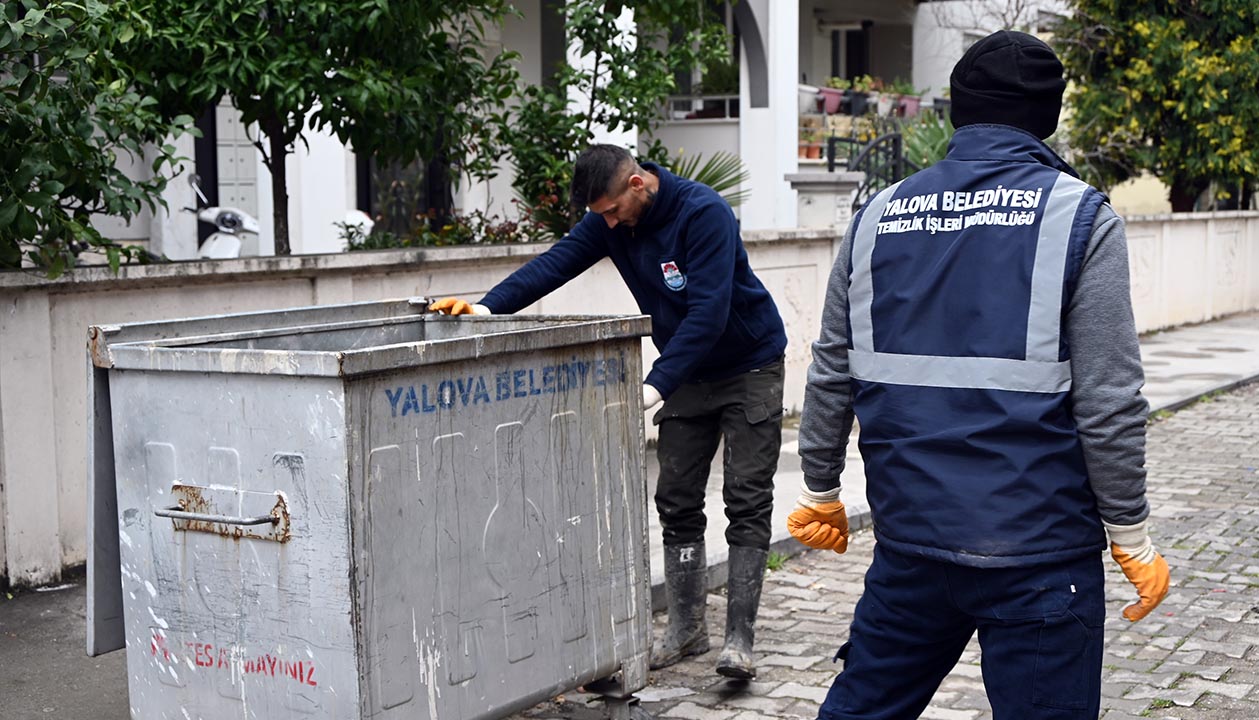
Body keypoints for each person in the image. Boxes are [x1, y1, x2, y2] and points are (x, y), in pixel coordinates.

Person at [786, 31, 1171, 719]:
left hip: (911, 543)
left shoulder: (877, 215)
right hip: (1039, 553)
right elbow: (1109, 402)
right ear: (1047, 116)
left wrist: (820, 487)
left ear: (959, 110)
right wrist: (1130, 532)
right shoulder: (1080, 217)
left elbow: (830, 368)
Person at [429, 144, 787, 678]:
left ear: (637, 185)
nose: (609, 223)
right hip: (689, 373)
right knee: (677, 497)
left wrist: (653, 386)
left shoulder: (703, 212)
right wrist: (485, 308)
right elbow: (554, 264)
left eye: (613, 210)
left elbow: (709, 313)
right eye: (601, 216)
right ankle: (687, 630)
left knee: (747, 496)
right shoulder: (609, 222)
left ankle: (739, 640)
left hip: (748, 366)